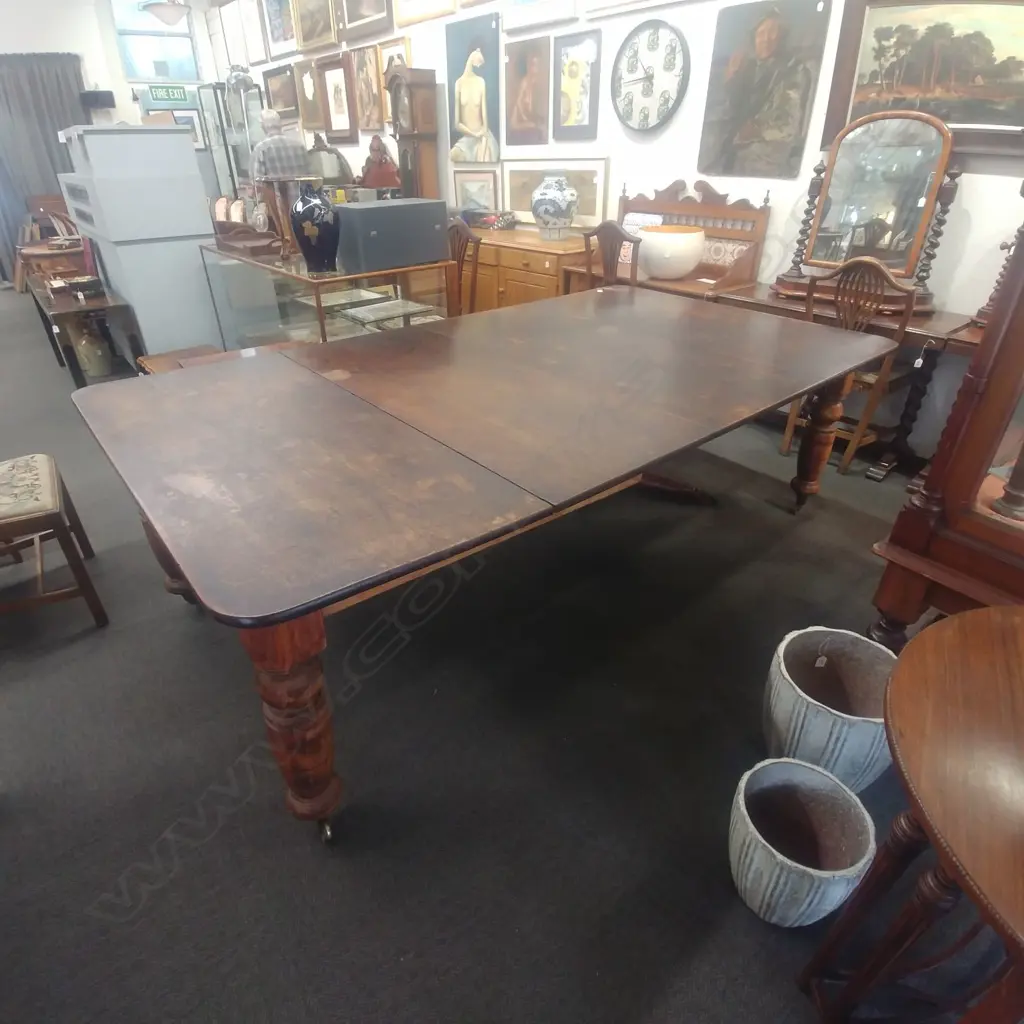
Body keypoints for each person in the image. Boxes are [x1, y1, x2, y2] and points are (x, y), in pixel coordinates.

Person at [710, 10, 814, 177]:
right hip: (736, 157)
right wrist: (730, 80)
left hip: (769, 160)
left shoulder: (794, 71)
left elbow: (788, 125)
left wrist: (756, 130)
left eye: (772, 32)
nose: (766, 39)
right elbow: (731, 110)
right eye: (760, 33)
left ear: (782, 37)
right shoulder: (749, 69)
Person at [450, 42, 498, 162]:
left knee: (485, 159)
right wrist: (473, 134)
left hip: (482, 137)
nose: (481, 64)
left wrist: (481, 138)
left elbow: (485, 124)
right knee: (453, 155)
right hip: (468, 138)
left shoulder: (481, 82)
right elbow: (457, 124)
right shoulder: (459, 84)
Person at [509, 52, 543, 137]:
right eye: (533, 65)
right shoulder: (524, 81)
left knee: (537, 127)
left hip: (528, 115)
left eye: (538, 65)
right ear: (529, 66)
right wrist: (524, 117)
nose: (536, 68)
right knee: (533, 126)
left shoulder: (535, 82)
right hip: (518, 116)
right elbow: (518, 102)